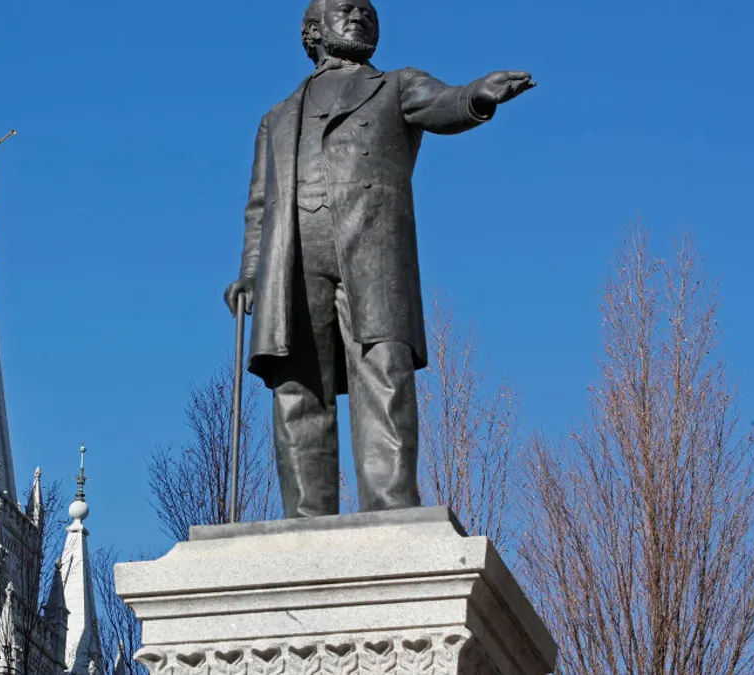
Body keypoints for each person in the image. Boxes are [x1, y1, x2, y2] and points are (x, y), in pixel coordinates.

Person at [224, 0, 533, 518]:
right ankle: (306, 518)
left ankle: (390, 510)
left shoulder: (395, 85)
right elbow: (260, 206)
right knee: (298, 386)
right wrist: (251, 273)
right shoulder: (276, 118)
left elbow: (445, 103)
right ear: (314, 30)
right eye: (347, 8)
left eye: (369, 11)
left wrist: (477, 96)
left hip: (372, 253)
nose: (362, 16)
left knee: (384, 373)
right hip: (293, 260)